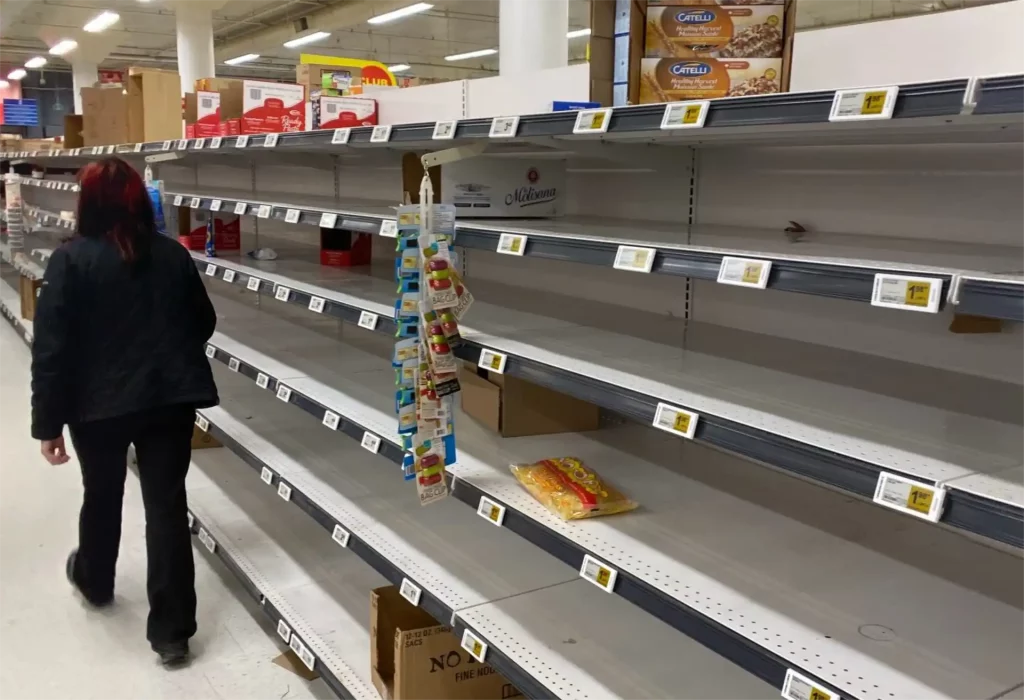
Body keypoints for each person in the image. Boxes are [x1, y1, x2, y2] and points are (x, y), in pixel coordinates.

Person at [30, 157, 219, 667]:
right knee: (166, 507)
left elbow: (51, 350)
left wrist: (48, 424)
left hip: (97, 405)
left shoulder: (70, 261)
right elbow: (203, 322)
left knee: (101, 494)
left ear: (86, 203)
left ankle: (94, 580)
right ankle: (172, 633)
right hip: (167, 400)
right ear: (139, 201)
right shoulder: (172, 256)